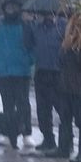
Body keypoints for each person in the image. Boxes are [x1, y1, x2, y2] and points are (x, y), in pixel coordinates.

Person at [0, 0, 35, 147]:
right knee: (7, 104)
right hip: (3, 72)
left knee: (23, 104)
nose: (11, 9)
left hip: (22, 72)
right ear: (4, 7)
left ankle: (26, 134)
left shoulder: (26, 26)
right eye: (9, 6)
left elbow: (34, 47)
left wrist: (29, 61)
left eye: (14, 6)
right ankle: (7, 133)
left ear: (19, 8)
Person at [56, 13, 81, 162]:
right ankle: (63, 149)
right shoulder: (66, 39)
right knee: (64, 119)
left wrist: (74, 48)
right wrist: (65, 48)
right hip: (65, 87)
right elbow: (60, 62)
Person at [30, 10, 66, 153]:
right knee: (43, 110)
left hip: (57, 74)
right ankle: (48, 139)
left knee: (62, 110)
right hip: (41, 73)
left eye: (51, 13)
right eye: (45, 14)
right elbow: (28, 43)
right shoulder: (37, 28)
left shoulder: (63, 26)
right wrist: (29, 22)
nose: (48, 16)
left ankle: (65, 143)